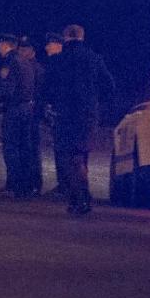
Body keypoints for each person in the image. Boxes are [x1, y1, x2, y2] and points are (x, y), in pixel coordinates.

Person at [42, 24, 115, 215]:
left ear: (66, 38)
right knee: (81, 156)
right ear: (82, 37)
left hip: (64, 115)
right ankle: (82, 197)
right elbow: (109, 85)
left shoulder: (58, 60)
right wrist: (95, 103)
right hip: (87, 115)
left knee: (67, 157)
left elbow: (45, 87)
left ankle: (78, 198)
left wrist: (47, 106)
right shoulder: (94, 58)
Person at [0, 33, 38, 197]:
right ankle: (26, 186)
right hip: (27, 109)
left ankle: (13, 186)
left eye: (0, 46)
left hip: (14, 110)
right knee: (24, 148)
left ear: (6, 45)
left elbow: (7, 89)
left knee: (11, 148)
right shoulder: (25, 61)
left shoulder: (10, 62)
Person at [41, 32, 68, 197]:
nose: (46, 47)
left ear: (59, 45)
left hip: (62, 112)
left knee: (63, 149)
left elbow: (51, 87)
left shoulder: (59, 63)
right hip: (64, 111)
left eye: (49, 44)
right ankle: (66, 184)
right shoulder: (56, 63)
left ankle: (65, 185)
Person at [17, 35, 45, 195]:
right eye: (20, 49)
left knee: (33, 149)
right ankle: (26, 182)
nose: (21, 51)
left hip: (33, 114)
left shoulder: (37, 68)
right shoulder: (23, 66)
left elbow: (40, 93)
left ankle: (35, 183)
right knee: (24, 148)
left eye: (24, 49)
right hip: (25, 113)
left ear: (32, 51)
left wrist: (37, 111)